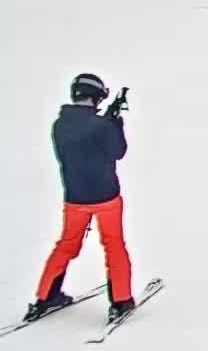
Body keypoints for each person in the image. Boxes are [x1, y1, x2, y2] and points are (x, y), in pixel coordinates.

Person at [22, 74, 137, 324]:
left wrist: (105, 122)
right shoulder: (103, 125)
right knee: (114, 245)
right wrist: (115, 123)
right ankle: (121, 300)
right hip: (106, 197)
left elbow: (81, 141)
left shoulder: (59, 125)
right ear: (95, 97)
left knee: (66, 245)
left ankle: (46, 296)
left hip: (75, 197)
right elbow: (118, 151)